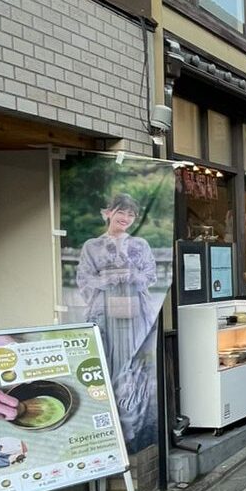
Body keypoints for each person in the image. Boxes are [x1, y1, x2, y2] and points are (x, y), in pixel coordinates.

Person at [76, 192, 158, 452]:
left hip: (135, 313)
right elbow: (84, 280)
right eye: (121, 212)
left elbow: (151, 276)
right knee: (107, 365)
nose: (126, 218)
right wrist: (108, 279)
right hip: (104, 314)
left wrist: (132, 274)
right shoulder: (92, 246)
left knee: (131, 364)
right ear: (108, 212)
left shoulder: (141, 245)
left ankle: (130, 423)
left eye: (131, 214)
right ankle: (109, 425)